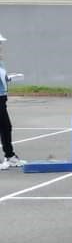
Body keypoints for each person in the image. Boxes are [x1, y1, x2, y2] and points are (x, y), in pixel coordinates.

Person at [0, 33, 26, 170]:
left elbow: (2, 78)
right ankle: (9, 155)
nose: (1, 46)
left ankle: (9, 156)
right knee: (5, 126)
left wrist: (10, 77)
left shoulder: (1, 61)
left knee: (6, 127)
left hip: (2, 97)